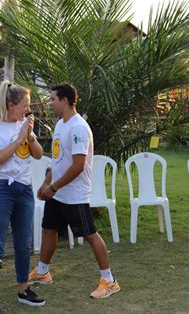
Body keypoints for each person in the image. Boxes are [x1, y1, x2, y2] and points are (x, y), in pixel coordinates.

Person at [28, 83, 121, 299]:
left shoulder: (78, 127)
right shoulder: (61, 124)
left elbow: (78, 165)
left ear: (65, 100)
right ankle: (42, 273)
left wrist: (53, 187)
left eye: (52, 99)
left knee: (90, 234)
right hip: (58, 193)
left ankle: (109, 280)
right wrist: (46, 184)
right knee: (49, 229)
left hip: (74, 194)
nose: (50, 104)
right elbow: (59, 160)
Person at [0, 80, 45, 313]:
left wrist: (30, 136)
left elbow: (38, 155)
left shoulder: (23, 124)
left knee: (23, 243)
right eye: (25, 105)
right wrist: (18, 139)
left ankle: (23, 288)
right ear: (10, 105)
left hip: (23, 188)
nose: (28, 109)